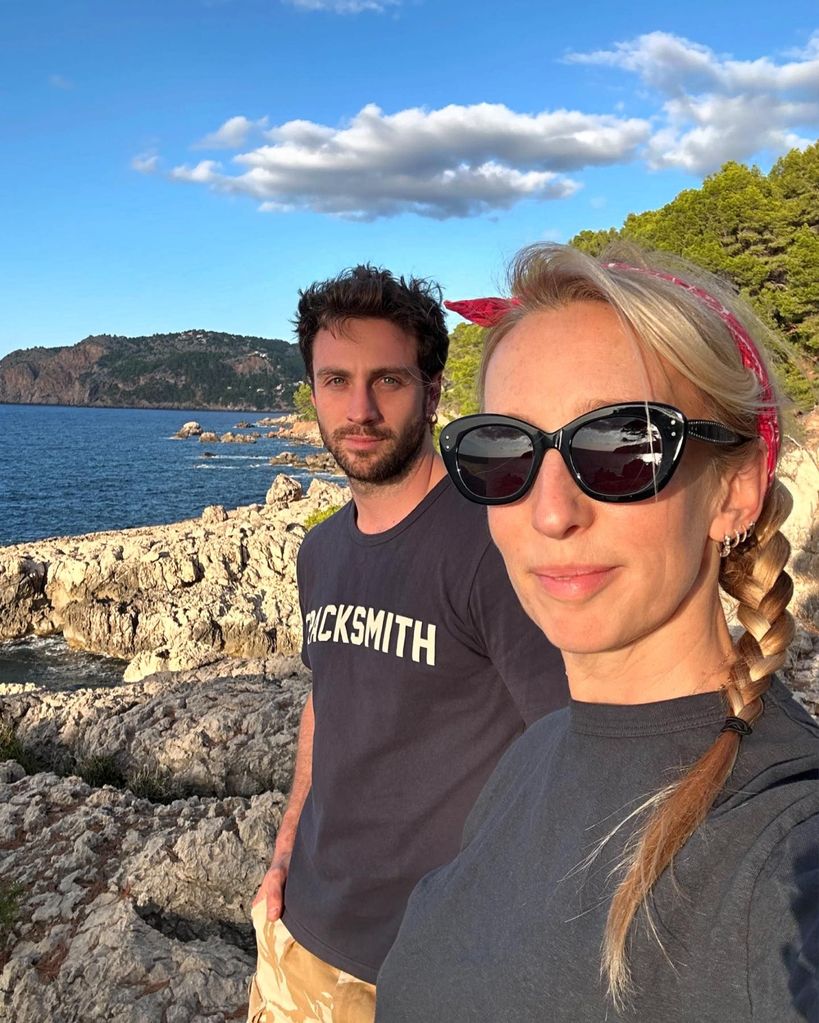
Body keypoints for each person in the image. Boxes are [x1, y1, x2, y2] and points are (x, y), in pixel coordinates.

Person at [376, 244, 819, 1022]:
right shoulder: (532, 754)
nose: (550, 513)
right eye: (501, 453)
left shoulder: (785, 853)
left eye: (621, 449)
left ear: (735, 490)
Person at [247, 265, 567, 1023]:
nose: (357, 409)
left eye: (386, 379)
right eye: (334, 381)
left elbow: (573, 748)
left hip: (435, 969)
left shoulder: (493, 541)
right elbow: (327, 703)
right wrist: (283, 857)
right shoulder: (319, 551)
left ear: (431, 390)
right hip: (301, 938)